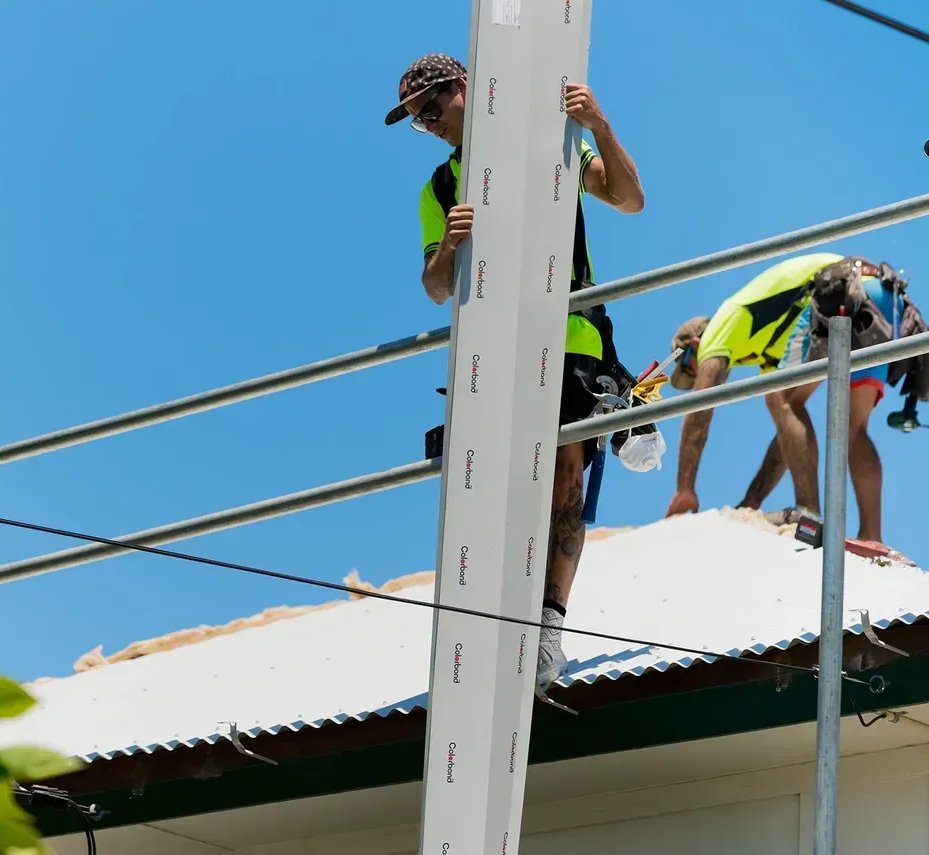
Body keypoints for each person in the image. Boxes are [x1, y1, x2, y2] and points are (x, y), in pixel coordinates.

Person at [385, 53, 646, 691]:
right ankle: (498, 622)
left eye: (431, 109)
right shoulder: (440, 190)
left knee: (562, 481)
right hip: (494, 351)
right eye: (419, 122)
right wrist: (449, 243)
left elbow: (630, 199)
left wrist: (598, 124)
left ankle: (548, 631)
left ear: (464, 88)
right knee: (498, 489)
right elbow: (436, 289)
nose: (429, 125)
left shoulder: (550, 142)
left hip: (573, 336)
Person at [665, 252, 915, 545]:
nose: (696, 376)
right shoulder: (768, 348)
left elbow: (699, 408)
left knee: (781, 400)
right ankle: (872, 536)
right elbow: (789, 437)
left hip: (839, 289)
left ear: (695, 345)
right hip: (882, 297)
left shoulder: (721, 325)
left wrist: (685, 489)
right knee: (852, 427)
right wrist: (751, 501)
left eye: (690, 370)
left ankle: (811, 518)